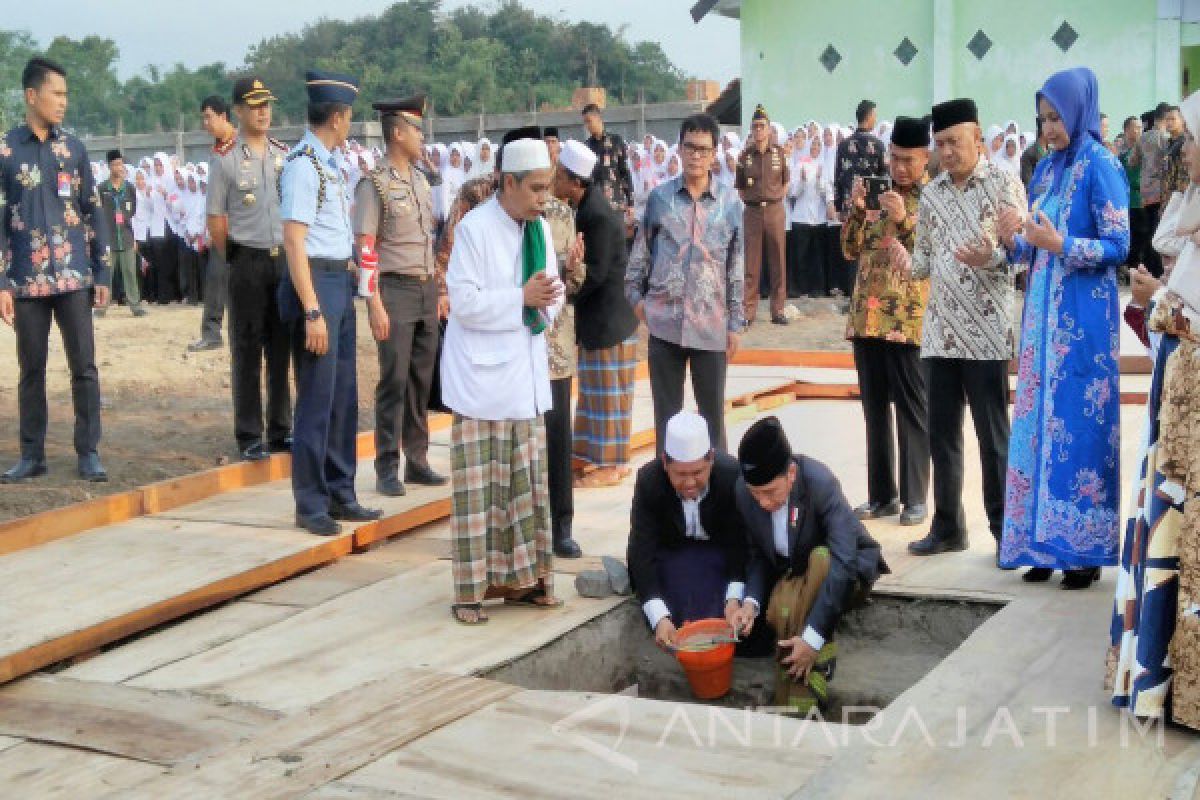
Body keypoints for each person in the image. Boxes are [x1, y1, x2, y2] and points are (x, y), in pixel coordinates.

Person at [996, 67, 1131, 587]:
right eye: (1042, 119)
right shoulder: (1046, 171)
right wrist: (1015, 238)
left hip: (1085, 330)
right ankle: (1040, 544)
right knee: (1036, 431)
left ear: (1078, 111)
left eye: (1056, 117)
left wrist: (1063, 246)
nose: (1049, 128)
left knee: (1078, 431)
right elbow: (1033, 241)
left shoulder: (1103, 165)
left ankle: (1082, 554)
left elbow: (1119, 247)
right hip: (1039, 327)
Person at [440, 136, 564, 625]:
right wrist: (521, 299)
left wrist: (540, 302)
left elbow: (550, 295)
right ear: (507, 183)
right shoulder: (475, 229)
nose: (542, 198)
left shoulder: (538, 228)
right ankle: (470, 593)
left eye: (546, 188)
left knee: (526, 489)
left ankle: (526, 583)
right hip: (483, 383)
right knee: (482, 496)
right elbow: (464, 303)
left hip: (526, 377)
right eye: (535, 189)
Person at [1107, 90, 1200, 730]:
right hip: (1176, 408)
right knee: (1160, 535)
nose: (1183, 149)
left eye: (1191, 140)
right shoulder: (1191, 214)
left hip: (1193, 425)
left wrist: (1158, 295)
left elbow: (1189, 314)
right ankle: (1152, 681)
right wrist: (1160, 296)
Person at [905, 97, 1027, 561]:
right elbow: (922, 262)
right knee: (942, 435)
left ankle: (1004, 532)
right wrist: (903, 256)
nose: (947, 152)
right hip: (939, 334)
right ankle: (949, 526)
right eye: (940, 144)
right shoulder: (932, 192)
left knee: (993, 438)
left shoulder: (1003, 184)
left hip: (987, 334)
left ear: (978, 138)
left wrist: (991, 257)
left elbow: (1020, 256)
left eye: (955, 142)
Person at [279, 70, 381, 536]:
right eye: (349, 118)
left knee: (342, 397)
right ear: (337, 118)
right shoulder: (304, 164)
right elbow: (294, 242)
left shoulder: (330, 163)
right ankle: (311, 501)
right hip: (315, 282)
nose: (350, 125)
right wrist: (312, 310)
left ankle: (341, 489)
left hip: (337, 278)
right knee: (317, 399)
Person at [0, 57, 112, 484]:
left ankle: (89, 452)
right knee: (31, 370)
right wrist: (1, 283)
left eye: (66, 94)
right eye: (57, 94)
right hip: (25, 281)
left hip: (74, 278)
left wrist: (102, 274)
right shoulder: (6, 150)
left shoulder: (75, 150)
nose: (64, 102)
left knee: (84, 366)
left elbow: (92, 211)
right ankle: (32, 455)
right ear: (32, 95)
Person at [730, 416, 888, 714]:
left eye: (770, 493)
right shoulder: (743, 492)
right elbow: (757, 556)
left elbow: (844, 561)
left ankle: (810, 670)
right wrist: (749, 603)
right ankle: (800, 681)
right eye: (756, 494)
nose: (762, 503)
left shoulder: (819, 482)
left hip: (841, 571)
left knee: (821, 561)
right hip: (794, 575)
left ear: (791, 474)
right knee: (780, 608)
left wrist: (812, 638)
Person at [626, 113, 744, 454]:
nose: (695, 155)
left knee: (712, 422)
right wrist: (639, 304)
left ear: (714, 153)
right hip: (664, 326)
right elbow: (639, 260)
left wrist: (735, 324)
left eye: (703, 149)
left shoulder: (730, 203)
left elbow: (736, 267)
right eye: (689, 147)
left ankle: (719, 497)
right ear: (679, 148)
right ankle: (670, 500)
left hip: (711, 326)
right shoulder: (660, 200)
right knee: (668, 423)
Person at [841, 116, 932, 528]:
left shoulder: (934, 198)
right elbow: (849, 249)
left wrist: (904, 220)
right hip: (867, 317)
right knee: (874, 409)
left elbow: (932, 251)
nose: (899, 168)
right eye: (894, 159)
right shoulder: (880, 192)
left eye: (908, 161)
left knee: (912, 409)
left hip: (907, 317)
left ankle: (916, 498)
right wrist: (858, 211)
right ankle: (883, 497)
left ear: (925, 159)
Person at [355, 94, 447, 498]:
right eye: (415, 129)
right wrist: (373, 301)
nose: (421, 137)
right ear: (396, 133)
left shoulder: (421, 181)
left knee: (420, 380)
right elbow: (366, 246)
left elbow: (428, 238)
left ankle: (418, 459)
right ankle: (387, 465)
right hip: (393, 289)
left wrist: (437, 287)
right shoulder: (374, 183)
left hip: (424, 288)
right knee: (393, 379)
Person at [207, 76, 293, 463]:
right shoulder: (225, 159)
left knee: (280, 348)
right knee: (246, 348)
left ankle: (280, 430)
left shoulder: (284, 155)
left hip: (282, 260)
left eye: (267, 104)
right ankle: (248, 434)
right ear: (238, 111)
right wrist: (237, 258)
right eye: (255, 105)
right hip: (246, 260)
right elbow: (217, 220)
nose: (263, 112)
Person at [628, 411, 749, 650]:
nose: (690, 483)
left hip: (718, 555)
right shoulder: (649, 481)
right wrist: (659, 617)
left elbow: (740, 543)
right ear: (665, 463)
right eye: (680, 474)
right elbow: (641, 551)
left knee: (723, 615)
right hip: (673, 555)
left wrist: (734, 599)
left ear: (711, 459)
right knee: (677, 614)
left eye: (697, 473)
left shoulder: (731, 477)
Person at [568, 131, 640, 492]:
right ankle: (583, 457)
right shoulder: (587, 208)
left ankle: (612, 465)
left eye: (557, 177)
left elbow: (593, 274)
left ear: (573, 181)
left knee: (609, 397)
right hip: (601, 321)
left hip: (611, 321)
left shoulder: (595, 216)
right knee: (593, 395)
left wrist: (563, 295)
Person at [541, 133, 588, 558]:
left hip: (555, 345)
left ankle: (562, 526)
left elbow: (573, 284)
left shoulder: (562, 215)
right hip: (516, 344)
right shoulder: (498, 216)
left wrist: (574, 268)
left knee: (558, 436)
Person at [189, 96, 237, 351]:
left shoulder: (238, 147)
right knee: (216, 278)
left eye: (208, 117)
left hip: (241, 226)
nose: (205, 123)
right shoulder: (218, 149)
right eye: (203, 118)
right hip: (222, 227)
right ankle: (211, 333)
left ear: (223, 116)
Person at [736, 104, 790, 325]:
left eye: (762, 126)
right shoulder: (744, 156)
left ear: (769, 130)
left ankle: (778, 311)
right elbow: (739, 187)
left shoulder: (778, 153)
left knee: (778, 261)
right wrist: (753, 202)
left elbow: (786, 181)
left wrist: (776, 198)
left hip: (775, 210)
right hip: (753, 212)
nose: (759, 131)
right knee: (751, 263)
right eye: (755, 127)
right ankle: (748, 313)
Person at [96, 149, 146, 318]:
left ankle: (135, 305)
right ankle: (101, 307)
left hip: (126, 236)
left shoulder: (129, 188)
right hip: (109, 238)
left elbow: (134, 213)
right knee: (106, 273)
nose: (119, 167)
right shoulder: (102, 189)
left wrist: (135, 237)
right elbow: (98, 213)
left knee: (130, 272)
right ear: (110, 167)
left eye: (121, 164)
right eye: (116, 164)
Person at [786, 134, 830, 297]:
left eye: (818, 145)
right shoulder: (800, 165)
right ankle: (797, 288)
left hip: (819, 217)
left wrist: (819, 179)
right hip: (801, 217)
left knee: (817, 256)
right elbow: (793, 193)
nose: (815, 148)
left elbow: (827, 192)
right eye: (813, 145)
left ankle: (817, 288)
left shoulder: (824, 166)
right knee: (800, 256)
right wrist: (803, 181)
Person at [1132, 103, 1171, 277]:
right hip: (1160, 191)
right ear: (1164, 118)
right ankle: (1156, 270)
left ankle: (1147, 266)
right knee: (1159, 231)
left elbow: (1133, 161)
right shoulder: (1164, 138)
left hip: (1145, 192)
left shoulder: (1143, 138)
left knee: (1148, 230)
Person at [581, 103, 635, 226]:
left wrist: (631, 203)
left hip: (615, 205)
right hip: (595, 207)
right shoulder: (587, 146)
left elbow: (625, 172)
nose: (587, 126)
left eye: (589, 121)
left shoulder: (616, 141)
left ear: (598, 118)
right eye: (585, 122)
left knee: (617, 243)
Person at [833, 100, 887, 218]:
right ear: (869, 116)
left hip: (848, 208)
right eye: (875, 115)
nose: (875, 119)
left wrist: (838, 206)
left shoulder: (843, 145)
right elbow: (884, 177)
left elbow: (838, 177)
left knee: (850, 236)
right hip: (871, 209)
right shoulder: (878, 145)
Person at [1121, 115, 1148, 271]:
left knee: (1143, 238)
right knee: (1131, 238)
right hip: (1128, 203)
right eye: (1135, 128)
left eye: (1140, 128)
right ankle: (1130, 267)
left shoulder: (1146, 153)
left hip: (1143, 201)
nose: (1139, 131)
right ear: (1126, 131)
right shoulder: (1122, 156)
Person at [1020, 119, 1049, 189]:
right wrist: (1047, 190)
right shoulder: (1029, 155)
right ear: (1043, 131)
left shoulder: (1052, 151)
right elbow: (1028, 187)